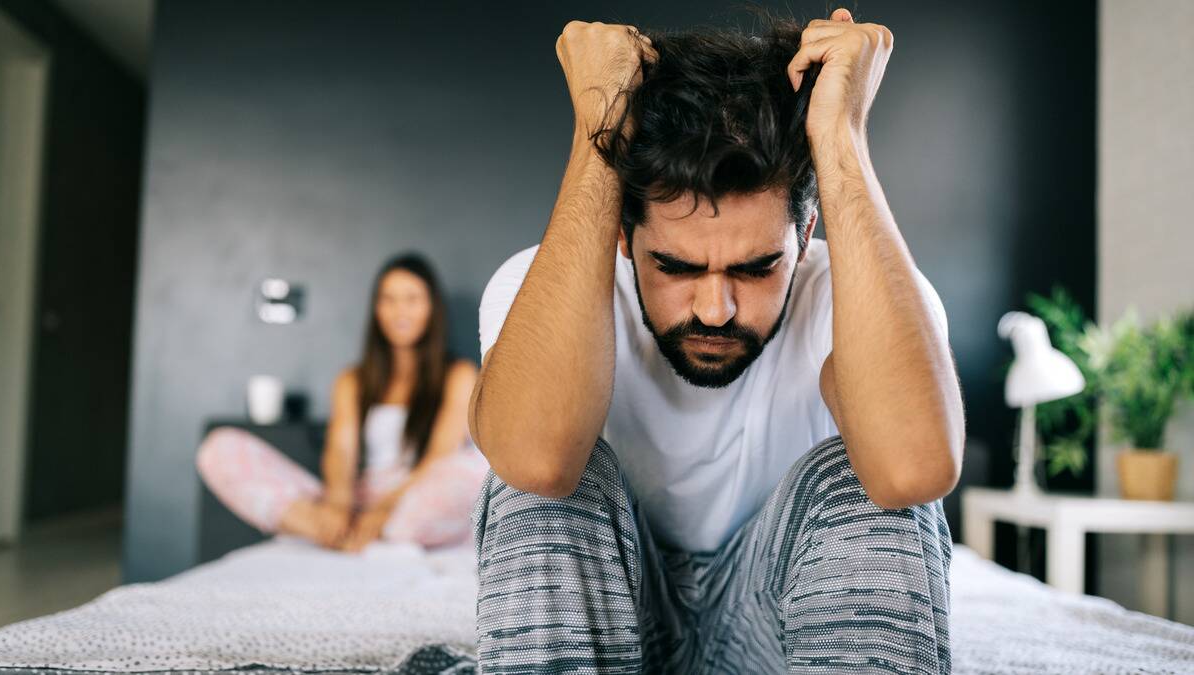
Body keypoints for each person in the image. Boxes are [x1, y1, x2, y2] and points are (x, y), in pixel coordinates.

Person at [469, 8, 964, 674]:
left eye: (757, 267)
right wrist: (599, 132)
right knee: (547, 478)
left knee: (868, 482)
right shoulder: (540, 284)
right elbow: (534, 461)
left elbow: (914, 469)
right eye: (674, 265)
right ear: (623, 234)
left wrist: (841, 139)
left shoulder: (855, 294)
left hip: (779, 612)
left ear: (807, 230)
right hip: (614, 605)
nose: (714, 307)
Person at [198, 253, 487, 552]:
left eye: (412, 299)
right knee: (218, 447)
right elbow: (341, 451)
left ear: (431, 308)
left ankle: (372, 533)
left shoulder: (458, 374)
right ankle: (331, 529)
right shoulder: (353, 380)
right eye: (388, 299)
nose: (400, 311)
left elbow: (438, 456)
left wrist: (385, 508)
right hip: (358, 499)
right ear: (376, 308)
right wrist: (338, 504)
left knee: (477, 467)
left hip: (416, 498)